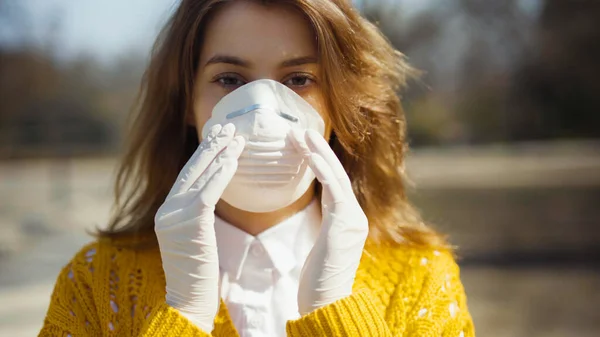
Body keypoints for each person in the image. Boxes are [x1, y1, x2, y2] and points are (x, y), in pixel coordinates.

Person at [39, 0, 475, 336]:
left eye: (298, 79)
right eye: (229, 79)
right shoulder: (98, 282)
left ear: (340, 103)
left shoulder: (419, 276)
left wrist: (336, 310)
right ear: (187, 103)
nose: (262, 109)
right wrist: (183, 313)